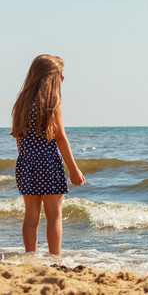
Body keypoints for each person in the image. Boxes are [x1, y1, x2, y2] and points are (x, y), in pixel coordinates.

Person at [10, 54, 86, 256]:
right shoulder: (52, 102)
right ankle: (55, 258)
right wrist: (74, 169)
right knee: (54, 215)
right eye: (60, 76)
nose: (62, 80)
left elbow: (19, 136)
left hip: (26, 163)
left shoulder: (21, 104)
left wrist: (27, 159)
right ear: (51, 77)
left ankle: (31, 256)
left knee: (31, 217)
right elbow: (60, 138)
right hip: (49, 164)